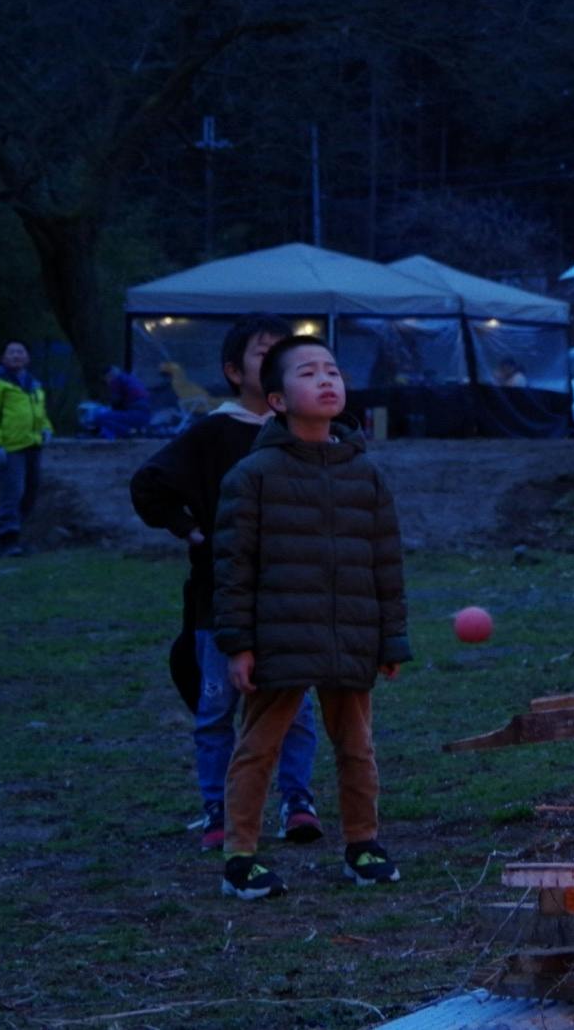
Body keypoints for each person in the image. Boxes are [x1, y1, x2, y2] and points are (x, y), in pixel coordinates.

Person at [213, 335, 411, 900]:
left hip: (350, 635)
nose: (326, 380)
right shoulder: (252, 476)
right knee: (258, 747)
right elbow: (233, 567)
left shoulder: (365, 474)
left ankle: (363, 844)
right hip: (278, 639)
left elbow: (385, 561)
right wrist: (238, 643)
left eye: (332, 370)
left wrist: (391, 638)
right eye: (307, 373)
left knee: (357, 746)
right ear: (276, 400)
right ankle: (240, 857)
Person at [130, 316, 324, 851]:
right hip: (217, 600)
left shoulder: (301, 429)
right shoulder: (214, 432)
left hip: (289, 600)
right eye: (265, 354)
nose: (278, 362)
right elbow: (148, 485)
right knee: (217, 710)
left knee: (295, 709)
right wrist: (190, 530)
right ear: (235, 371)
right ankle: (218, 808)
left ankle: (297, 801)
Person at [0, 340, 51, 555]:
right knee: (12, 492)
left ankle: (18, 535)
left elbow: (40, 411)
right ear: (4, 358)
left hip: (33, 444)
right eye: (11, 352)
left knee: (30, 491)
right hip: (10, 447)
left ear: (27, 358)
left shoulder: (33, 384)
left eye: (20, 352)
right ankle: (7, 539)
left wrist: (47, 428)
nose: (16, 356)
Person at [93, 365, 153, 439]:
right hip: (146, 415)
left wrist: (104, 407)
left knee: (100, 418)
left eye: (106, 380)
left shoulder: (116, 380)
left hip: (136, 414)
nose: (107, 383)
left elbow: (115, 402)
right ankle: (134, 431)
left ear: (109, 376)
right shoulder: (130, 378)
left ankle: (130, 432)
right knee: (114, 418)